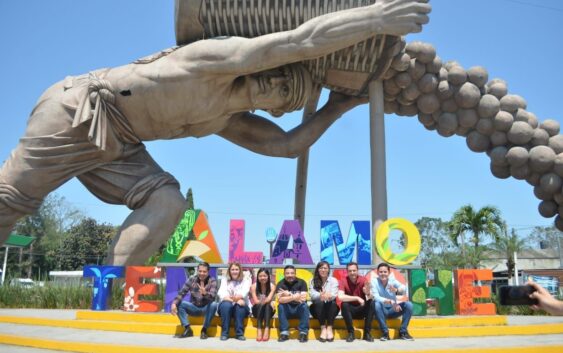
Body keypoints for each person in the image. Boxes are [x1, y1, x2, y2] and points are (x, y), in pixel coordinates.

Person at [0, 0, 430, 265]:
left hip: (121, 146)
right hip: (78, 110)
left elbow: (285, 145)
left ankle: (110, 289)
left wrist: (336, 108)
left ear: (274, 108)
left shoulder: (223, 120)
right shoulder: (215, 62)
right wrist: (375, 18)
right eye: (278, 77)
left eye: (282, 94)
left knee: (166, 201)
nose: (272, 85)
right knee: (10, 202)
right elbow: (298, 42)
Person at [170, 262, 218, 339]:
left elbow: (213, 297)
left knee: (214, 304)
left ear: (208, 272)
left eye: (204, 271)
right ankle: (187, 329)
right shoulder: (192, 279)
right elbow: (181, 293)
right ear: (197, 271)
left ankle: (204, 330)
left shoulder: (212, 281)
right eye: (200, 271)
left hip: (206, 309)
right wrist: (174, 304)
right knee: (179, 303)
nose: (202, 273)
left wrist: (205, 293)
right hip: (194, 307)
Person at [371, 263, 414, 341]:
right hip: (381, 311)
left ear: (388, 272)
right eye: (381, 272)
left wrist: (397, 290)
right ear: (377, 273)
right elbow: (376, 297)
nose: (383, 274)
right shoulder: (374, 281)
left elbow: (404, 288)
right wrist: (391, 302)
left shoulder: (392, 281)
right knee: (376, 304)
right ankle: (385, 333)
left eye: (385, 272)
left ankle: (403, 332)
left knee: (409, 305)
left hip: (393, 310)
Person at [337, 261, 374, 342]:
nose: (352, 272)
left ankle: (367, 333)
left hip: (361, 309)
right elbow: (340, 296)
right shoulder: (343, 281)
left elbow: (370, 296)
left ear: (357, 271)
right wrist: (357, 298)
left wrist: (367, 293)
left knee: (371, 302)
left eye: (354, 270)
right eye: (350, 271)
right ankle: (351, 333)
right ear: (347, 272)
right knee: (344, 304)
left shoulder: (363, 279)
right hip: (349, 311)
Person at [276, 265, 310, 342]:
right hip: (287, 310)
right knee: (281, 306)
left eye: (292, 273)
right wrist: (294, 297)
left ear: (295, 273)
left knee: (304, 305)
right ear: (284, 274)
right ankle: (284, 332)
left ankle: (303, 332)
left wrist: (288, 295)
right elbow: (280, 300)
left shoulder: (302, 282)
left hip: (299, 309)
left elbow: (303, 299)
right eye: (287, 273)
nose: (290, 275)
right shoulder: (280, 284)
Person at [217, 262, 251, 340]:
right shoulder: (224, 280)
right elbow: (221, 293)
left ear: (240, 271)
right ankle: (224, 333)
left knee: (239, 306)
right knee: (226, 305)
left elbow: (243, 293)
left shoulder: (246, 280)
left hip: (241, 308)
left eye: (236, 269)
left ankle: (239, 334)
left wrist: (236, 299)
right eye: (232, 269)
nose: (234, 271)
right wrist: (234, 300)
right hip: (227, 307)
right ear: (229, 271)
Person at [309, 261, 339, 342]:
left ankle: (329, 328)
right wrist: (320, 295)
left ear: (328, 270)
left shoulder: (334, 280)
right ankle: (323, 328)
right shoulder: (312, 280)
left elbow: (334, 294)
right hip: (317, 310)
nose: (323, 270)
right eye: (321, 268)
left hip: (331, 310)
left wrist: (327, 296)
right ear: (318, 270)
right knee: (319, 302)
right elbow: (312, 295)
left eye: (325, 268)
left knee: (333, 303)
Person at [249, 268, 276, 341]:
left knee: (267, 305)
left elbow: (269, 299)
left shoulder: (272, 286)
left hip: (269, 311)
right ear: (257, 277)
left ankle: (266, 329)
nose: (262, 278)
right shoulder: (253, 286)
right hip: (257, 310)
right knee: (263, 304)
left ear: (268, 276)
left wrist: (267, 301)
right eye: (260, 276)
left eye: (264, 276)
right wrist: (266, 301)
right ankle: (259, 329)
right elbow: (256, 301)